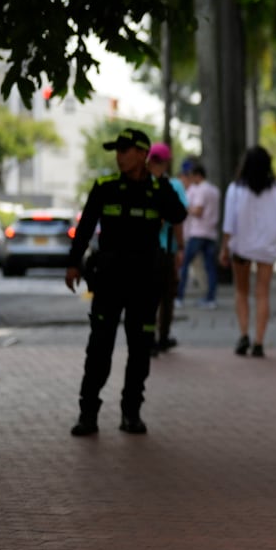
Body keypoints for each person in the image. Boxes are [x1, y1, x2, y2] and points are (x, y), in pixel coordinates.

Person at [65, 128, 187, 435]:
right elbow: (85, 228)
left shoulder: (158, 190)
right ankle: (88, 413)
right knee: (99, 348)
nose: (119, 156)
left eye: (125, 150)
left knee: (140, 349)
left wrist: (161, 183)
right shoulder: (105, 187)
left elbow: (178, 214)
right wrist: (73, 264)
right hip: (109, 280)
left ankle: (131, 412)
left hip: (145, 282)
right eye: (117, 150)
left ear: (142, 154)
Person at [219, 145, 276, 357]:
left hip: (241, 246)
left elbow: (228, 224)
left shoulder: (236, 189)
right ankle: (259, 342)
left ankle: (243, 335)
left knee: (241, 291)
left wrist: (224, 248)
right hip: (267, 247)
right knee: (262, 293)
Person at [146, 143, 187, 354]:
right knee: (165, 294)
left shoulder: (139, 184)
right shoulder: (174, 186)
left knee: (148, 295)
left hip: (144, 250)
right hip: (164, 250)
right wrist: (181, 247)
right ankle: (161, 336)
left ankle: (149, 338)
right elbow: (178, 220)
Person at [178, 158, 221, 308]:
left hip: (198, 232)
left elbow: (198, 210)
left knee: (184, 264)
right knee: (210, 267)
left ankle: (179, 296)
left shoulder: (201, 189)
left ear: (197, 175)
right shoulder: (214, 190)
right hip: (211, 232)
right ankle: (211, 298)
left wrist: (186, 207)